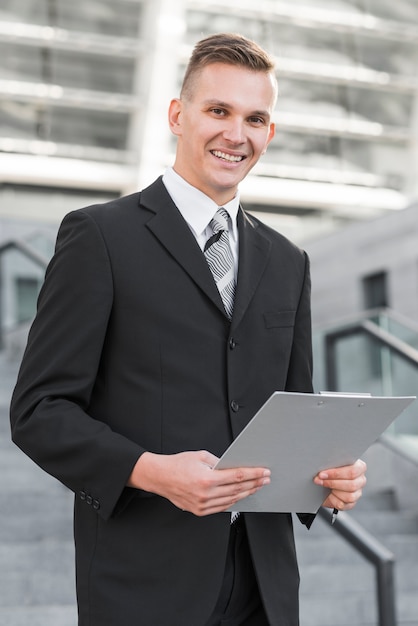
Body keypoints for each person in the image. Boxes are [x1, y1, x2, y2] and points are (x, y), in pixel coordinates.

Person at [10, 33, 367, 626]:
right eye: (218, 111)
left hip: (265, 585)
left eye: (255, 118)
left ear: (269, 134)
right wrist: (150, 471)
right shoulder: (99, 238)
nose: (237, 134)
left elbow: (298, 412)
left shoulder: (288, 261)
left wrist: (332, 475)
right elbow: (39, 410)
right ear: (178, 115)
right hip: (143, 583)